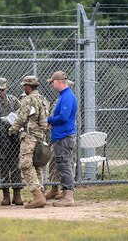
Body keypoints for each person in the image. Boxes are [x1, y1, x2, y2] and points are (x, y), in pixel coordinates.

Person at [9, 76, 49, 209]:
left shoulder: (28, 99)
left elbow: (21, 118)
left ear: (28, 86)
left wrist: (12, 130)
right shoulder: (43, 99)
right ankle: (41, 194)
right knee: (37, 165)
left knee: (25, 164)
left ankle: (37, 195)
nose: (23, 88)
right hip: (41, 136)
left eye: (24, 86)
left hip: (30, 136)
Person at [0, 77, 23, 206]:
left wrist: (13, 118)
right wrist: (0, 119)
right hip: (0, 140)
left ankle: (17, 194)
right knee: (2, 167)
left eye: (2, 90)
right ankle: (6, 195)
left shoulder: (13, 100)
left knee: (15, 166)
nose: (0, 92)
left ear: (6, 89)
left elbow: (22, 111)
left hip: (13, 138)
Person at [47, 71, 77, 207]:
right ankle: (65, 193)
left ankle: (69, 196)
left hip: (64, 136)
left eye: (53, 82)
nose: (52, 85)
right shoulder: (64, 96)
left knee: (65, 165)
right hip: (61, 136)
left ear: (59, 82)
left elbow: (64, 117)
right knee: (62, 164)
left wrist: (49, 120)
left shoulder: (67, 96)